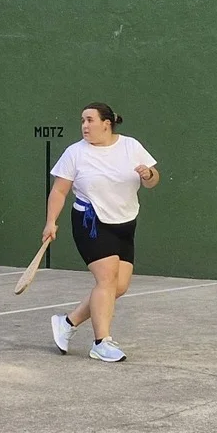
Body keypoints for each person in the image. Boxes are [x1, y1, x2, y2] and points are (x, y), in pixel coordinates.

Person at [41, 103, 159, 362]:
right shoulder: (75, 153)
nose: (84, 126)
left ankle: (67, 323)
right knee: (106, 280)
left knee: (119, 286)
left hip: (125, 222)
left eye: (90, 120)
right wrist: (51, 222)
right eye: (82, 121)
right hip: (90, 221)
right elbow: (59, 190)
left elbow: (152, 181)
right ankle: (101, 342)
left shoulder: (130, 146)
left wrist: (148, 174)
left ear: (107, 124)